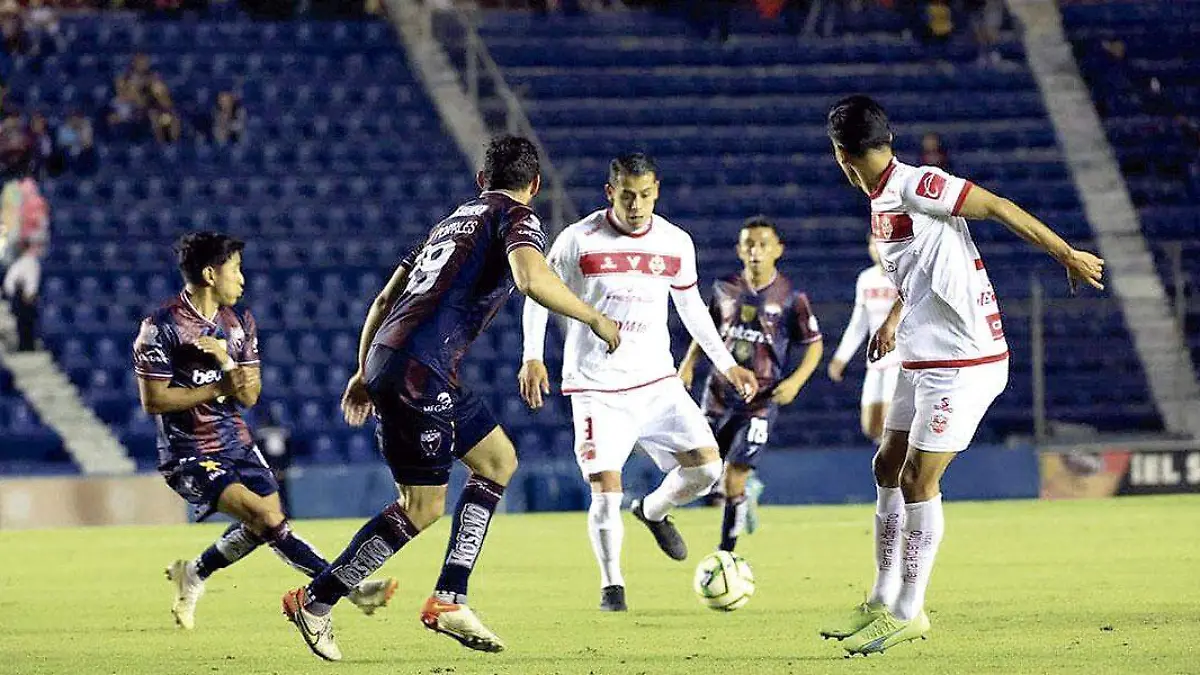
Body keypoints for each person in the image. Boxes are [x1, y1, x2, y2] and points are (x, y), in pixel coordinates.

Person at [280, 136, 620, 661]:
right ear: (533, 185)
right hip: (421, 370)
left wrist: (364, 368)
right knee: (421, 507)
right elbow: (531, 277)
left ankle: (449, 596)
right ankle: (317, 600)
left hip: (403, 361)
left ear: (481, 179)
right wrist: (594, 316)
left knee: (498, 460)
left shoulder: (451, 221)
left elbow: (384, 299)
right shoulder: (517, 217)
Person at [818, 95, 1104, 654]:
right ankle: (880, 596)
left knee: (918, 481)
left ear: (840, 156)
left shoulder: (916, 185)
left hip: (964, 361)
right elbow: (918, 268)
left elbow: (996, 206)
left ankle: (909, 610)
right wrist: (896, 318)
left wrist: (1066, 252)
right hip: (921, 353)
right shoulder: (881, 202)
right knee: (887, 465)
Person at [519, 153, 759, 613]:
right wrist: (532, 356)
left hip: (656, 381)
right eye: (627, 195)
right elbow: (536, 294)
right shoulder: (578, 239)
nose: (636, 205)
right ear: (611, 192)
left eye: (645, 195)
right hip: (597, 387)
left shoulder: (675, 242)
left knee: (709, 470)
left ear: (657, 192)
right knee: (606, 487)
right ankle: (613, 586)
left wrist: (727, 365)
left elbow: (691, 310)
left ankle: (652, 510)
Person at [133, 232, 398, 632]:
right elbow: (154, 400)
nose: (242, 279)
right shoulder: (161, 326)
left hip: (236, 441)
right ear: (209, 273)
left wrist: (224, 361)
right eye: (235, 269)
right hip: (188, 451)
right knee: (265, 517)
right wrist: (220, 387)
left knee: (265, 525)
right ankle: (346, 588)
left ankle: (195, 572)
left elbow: (251, 395)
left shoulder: (239, 323)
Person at [678, 215, 823, 554]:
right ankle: (746, 494)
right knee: (703, 470)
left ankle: (726, 555)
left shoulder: (792, 297)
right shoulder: (723, 289)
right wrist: (688, 365)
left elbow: (814, 343)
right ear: (739, 250)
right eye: (749, 245)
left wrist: (797, 381)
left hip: (760, 399)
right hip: (718, 393)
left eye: (763, 245)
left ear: (778, 250)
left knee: (734, 478)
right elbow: (706, 332)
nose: (755, 251)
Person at [827, 234, 901, 442]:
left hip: (900, 359)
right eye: (872, 243)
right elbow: (859, 323)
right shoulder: (866, 279)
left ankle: (898, 469)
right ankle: (889, 462)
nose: (876, 248)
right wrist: (841, 358)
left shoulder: (904, 276)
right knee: (871, 427)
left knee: (891, 424)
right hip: (876, 360)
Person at [3, 239, 39, 351]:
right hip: (17, 296)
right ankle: (24, 345)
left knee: (26, 324)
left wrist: (29, 293)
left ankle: (28, 346)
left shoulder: (30, 261)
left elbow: (32, 279)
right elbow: (9, 282)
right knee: (21, 324)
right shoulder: (18, 262)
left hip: (25, 297)